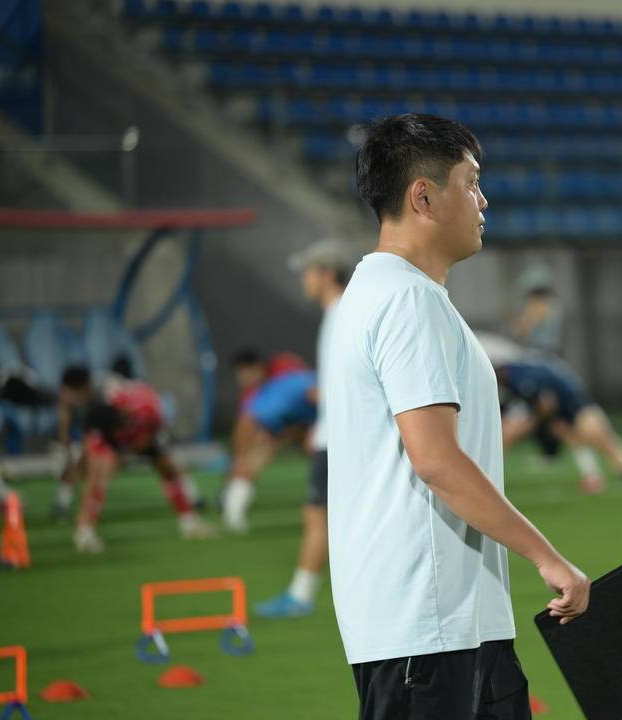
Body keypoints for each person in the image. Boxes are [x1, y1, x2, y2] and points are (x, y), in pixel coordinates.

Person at [328, 113, 590, 720]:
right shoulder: (406, 299)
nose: (483, 200)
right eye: (471, 183)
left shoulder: (387, 291)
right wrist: (545, 555)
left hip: (455, 619)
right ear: (423, 197)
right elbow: (436, 460)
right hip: (426, 626)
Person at [255, 239, 354, 618]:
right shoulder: (339, 312)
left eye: (308, 272)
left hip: (337, 438)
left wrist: (326, 423)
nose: (304, 279)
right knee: (329, 517)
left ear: (326, 274)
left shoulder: (341, 313)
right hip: (333, 434)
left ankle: (301, 595)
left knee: (317, 515)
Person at [70, 373, 214, 553]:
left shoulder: (148, 408)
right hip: (112, 427)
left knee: (168, 468)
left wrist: (127, 451)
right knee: (98, 474)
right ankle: (85, 530)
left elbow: (146, 442)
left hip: (139, 432)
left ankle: (189, 523)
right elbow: (92, 444)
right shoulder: (100, 414)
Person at [496, 357, 622, 511]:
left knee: (606, 443)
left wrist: (535, 422)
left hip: (577, 407)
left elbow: (547, 402)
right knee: (583, 441)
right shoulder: (522, 371)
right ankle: (597, 479)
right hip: (567, 408)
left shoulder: (518, 377)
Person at [222, 350, 317, 533]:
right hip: (291, 422)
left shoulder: (286, 372)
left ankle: (233, 505)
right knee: (251, 459)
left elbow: (316, 393)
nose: (242, 380)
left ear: (256, 368)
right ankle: (233, 509)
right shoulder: (254, 398)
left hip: (307, 420)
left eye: (244, 373)